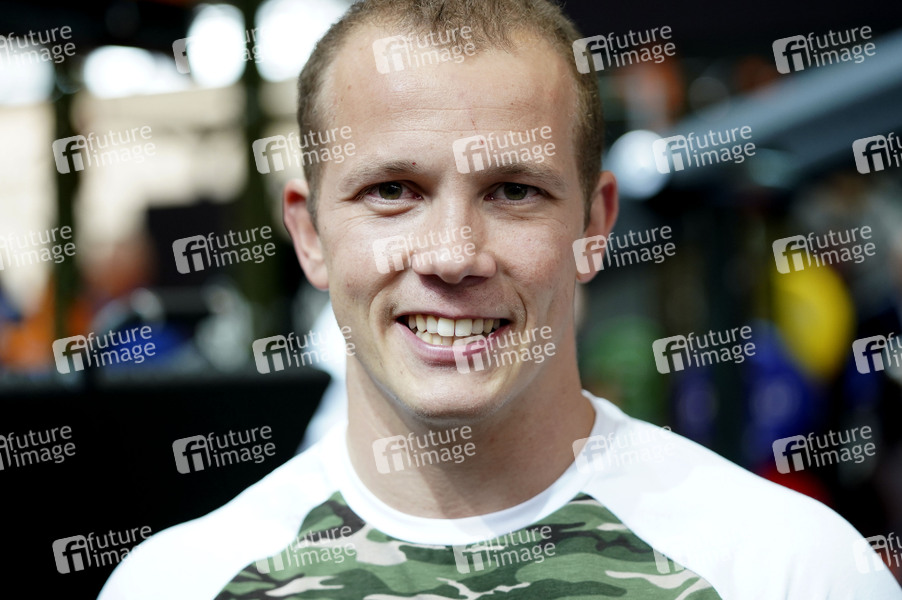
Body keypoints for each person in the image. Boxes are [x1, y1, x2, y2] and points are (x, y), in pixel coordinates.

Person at [100, 1, 902, 598]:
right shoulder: (178, 585)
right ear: (310, 236)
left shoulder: (792, 572)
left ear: (595, 226)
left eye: (514, 191)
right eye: (392, 191)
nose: (454, 254)